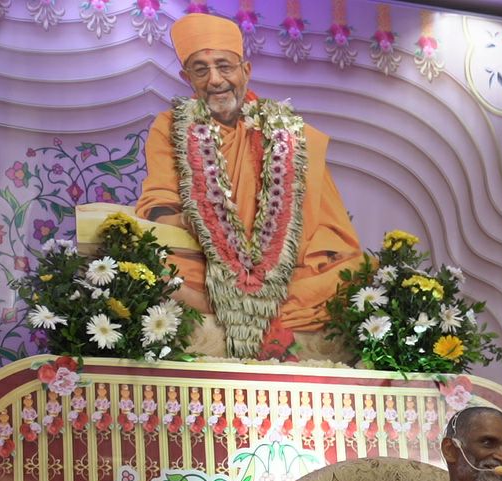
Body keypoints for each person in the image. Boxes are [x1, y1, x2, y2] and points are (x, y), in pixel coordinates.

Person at [136, 14, 363, 359]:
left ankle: (237, 303)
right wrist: (201, 223)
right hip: (205, 258)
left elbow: (330, 228)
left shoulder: (290, 134)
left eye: (224, 66)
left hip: (284, 266)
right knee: (155, 269)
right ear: (187, 78)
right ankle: (237, 302)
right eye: (200, 70)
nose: (215, 80)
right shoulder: (170, 126)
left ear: (246, 70)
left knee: (352, 273)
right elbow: (159, 207)